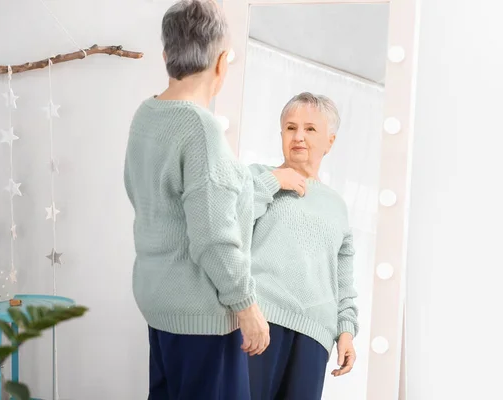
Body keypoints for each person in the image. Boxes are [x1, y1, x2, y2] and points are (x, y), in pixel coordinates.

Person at [123, 1, 269, 398]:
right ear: (222, 63)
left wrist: (266, 182)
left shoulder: (147, 114)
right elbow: (212, 237)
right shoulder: (200, 128)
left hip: (159, 300)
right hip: (200, 314)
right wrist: (248, 306)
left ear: (167, 55)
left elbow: (164, 196)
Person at [247, 92, 359, 400]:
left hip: (315, 335)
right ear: (281, 133)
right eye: (290, 128)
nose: (299, 137)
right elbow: (228, 229)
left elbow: (343, 280)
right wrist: (273, 182)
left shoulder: (337, 206)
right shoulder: (257, 177)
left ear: (330, 141)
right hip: (260, 320)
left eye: (310, 129)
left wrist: (345, 330)